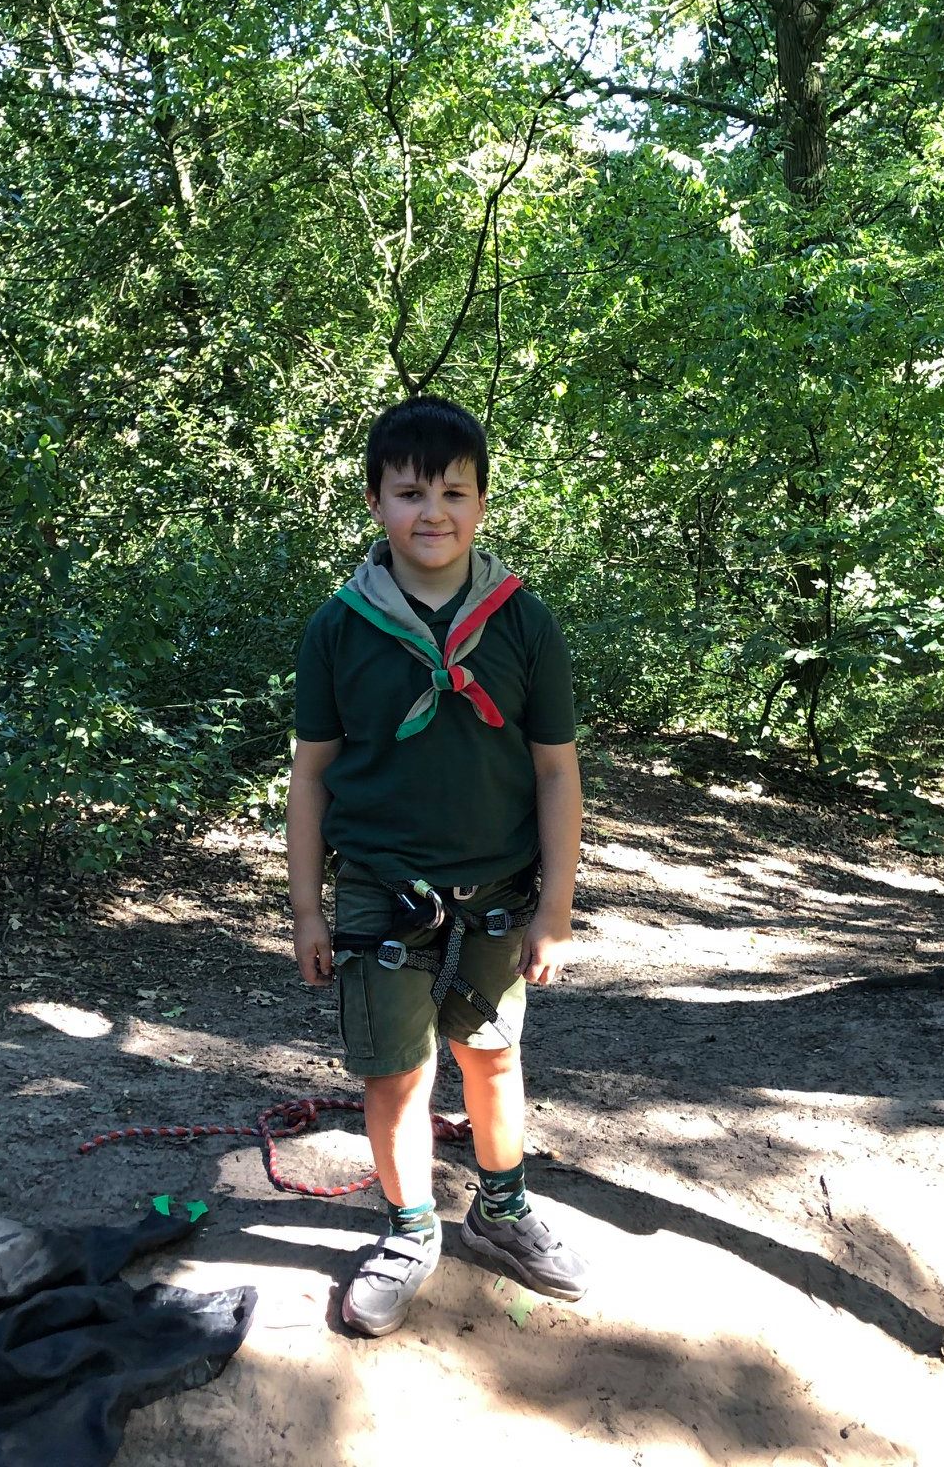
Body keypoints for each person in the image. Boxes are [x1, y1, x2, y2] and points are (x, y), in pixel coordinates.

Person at [286, 393, 589, 1337]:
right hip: (379, 884)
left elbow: (555, 771)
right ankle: (409, 1229)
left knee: (492, 1057)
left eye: (455, 491)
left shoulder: (524, 622)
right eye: (410, 491)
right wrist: (305, 909)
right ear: (375, 502)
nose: (434, 512)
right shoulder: (339, 628)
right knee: (396, 1075)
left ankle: (501, 1212)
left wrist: (557, 909)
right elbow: (310, 777)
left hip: (500, 885)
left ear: (484, 503)